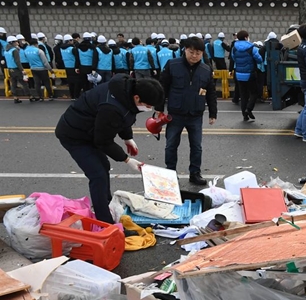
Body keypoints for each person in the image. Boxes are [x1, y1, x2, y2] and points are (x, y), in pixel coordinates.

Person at [55, 74, 164, 224]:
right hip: (74, 134)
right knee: (97, 174)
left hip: (92, 130)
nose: (149, 109)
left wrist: (127, 138)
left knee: (104, 165)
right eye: (148, 105)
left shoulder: (126, 91)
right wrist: (127, 160)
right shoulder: (111, 107)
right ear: (137, 97)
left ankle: (106, 203)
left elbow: (126, 115)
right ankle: (104, 221)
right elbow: (103, 141)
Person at [157, 36, 217, 186]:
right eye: (191, 52)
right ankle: (170, 173)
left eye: (198, 53)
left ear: (202, 53)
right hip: (175, 114)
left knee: (196, 146)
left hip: (195, 114)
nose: (194, 56)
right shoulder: (172, 65)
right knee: (171, 144)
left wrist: (213, 113)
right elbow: (162, 87)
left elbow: (211, 92)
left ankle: (195, 173)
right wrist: (159, 108)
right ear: (185, 50)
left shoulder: (206, 69)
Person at [231, 30, 263, 122]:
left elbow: (233, 58)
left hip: (239, 74)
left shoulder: (234, 48)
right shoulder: (251, 47)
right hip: (250, 74)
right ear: (246, 37)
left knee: (243, 95)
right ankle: (249, 109)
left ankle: (244, 115)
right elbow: (259, 60)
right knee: (254, 93)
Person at [4, 36, 31, 103]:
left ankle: (15, 97)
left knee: (13, 83)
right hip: (16, 69)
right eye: (16, 41)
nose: (17, 42)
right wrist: (22, 70)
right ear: (12, 42)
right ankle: (30, 96)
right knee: (24, 83)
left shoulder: (6, 51)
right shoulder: (14, 50)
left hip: (10, 69)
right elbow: (17, 61)